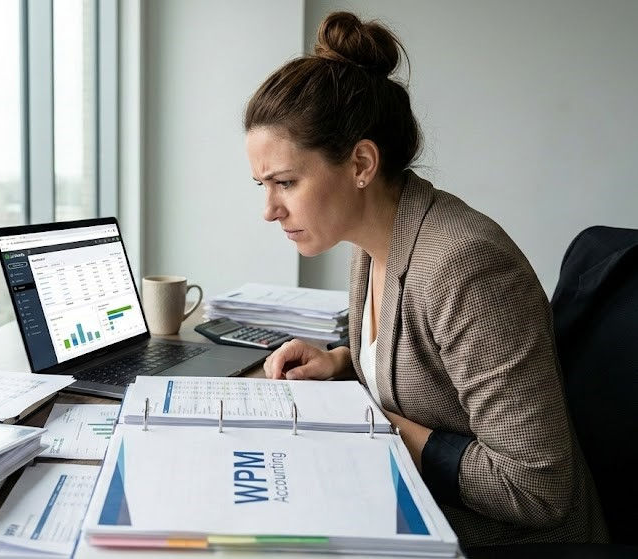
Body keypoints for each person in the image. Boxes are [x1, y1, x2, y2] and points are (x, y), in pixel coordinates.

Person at [244, 11, 607, 548]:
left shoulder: (466, 265)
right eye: (263, 185)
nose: (269, 210)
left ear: (361, 163)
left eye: (285, 183)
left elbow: (538, 488)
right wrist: (341, 363)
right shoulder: (373, 240)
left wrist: (372, 421)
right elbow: (419, 366)